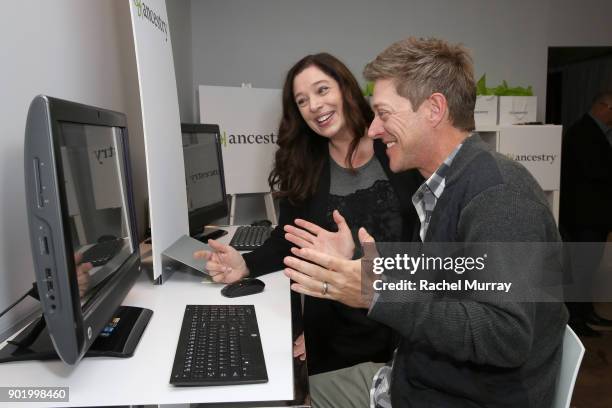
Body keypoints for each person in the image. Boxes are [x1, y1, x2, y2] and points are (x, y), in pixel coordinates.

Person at [283, 37, 568, 407]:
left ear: (433, 109)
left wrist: (377, 294)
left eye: (384, 114)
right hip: (419, 377)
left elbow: (505, 335)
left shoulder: (500, 196)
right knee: (290, 389)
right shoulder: (451, 184)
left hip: (456, 397)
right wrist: (362, 257)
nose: (373, 129)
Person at [194, 53, 422, 375]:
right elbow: (289, 239)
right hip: (334, 329)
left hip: (401, 319)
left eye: (322, 90)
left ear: (345, 89)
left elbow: (426, 240)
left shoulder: (396, 148)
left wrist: (355, 259)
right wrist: (246, 264)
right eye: (302, 101)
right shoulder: (303, 163)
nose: (314, 105)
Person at [560, 91, 612, 336]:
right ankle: (575, 320)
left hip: (592, 216)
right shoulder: (582, 133)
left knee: (587, 268)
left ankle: (585, 311)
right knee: (581, 268)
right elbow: (593, 174)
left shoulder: (592, 132)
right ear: (605, 107)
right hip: (584, 217)